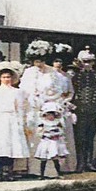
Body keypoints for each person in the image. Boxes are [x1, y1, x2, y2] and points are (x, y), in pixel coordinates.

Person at [18, 39, 65, 178]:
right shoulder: (28, 72)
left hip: (47, 108)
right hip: (32, 109)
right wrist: (32, 97)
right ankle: (33, 170)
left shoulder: (52, 72)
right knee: (34, 138)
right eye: (36, 61)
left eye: (42, 60)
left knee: (49, 138)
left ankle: (50, 171)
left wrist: (48, 98)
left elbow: (58, 89)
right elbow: (23, 91)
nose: (39, 64)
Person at [71, 48, 96, 172]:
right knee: (80, 139)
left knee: (91, 138)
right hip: (80, 112)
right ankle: (80, 162)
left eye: (90, 62)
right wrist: (72, 111)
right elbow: (71, 94)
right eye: (85, 61)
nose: (88, 64)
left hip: (93, 111)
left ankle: (89, 162)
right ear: (80, 62)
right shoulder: (75, 77)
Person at [52, 57, 77, 172]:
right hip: (51, 106)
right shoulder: (49, 75)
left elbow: (71, 91)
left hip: (63, 105)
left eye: (60, 61)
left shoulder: (67, 76)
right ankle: (54, 166)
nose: (58, 64)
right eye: (56, 61)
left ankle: (67, 166)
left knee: (66, 134)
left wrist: (66, 101)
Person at [34, 101, 69, 180]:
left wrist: (57, 134)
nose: (50, 117)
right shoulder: (42, 123)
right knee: (44, 159)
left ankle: (58, 173)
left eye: (52, 115)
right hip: (46, 142)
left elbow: (61, 131)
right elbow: (39, 132)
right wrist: (45, 134)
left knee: (55, 159)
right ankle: (42, 175)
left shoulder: (57, 123)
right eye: (48, 115)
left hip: (54, 142)